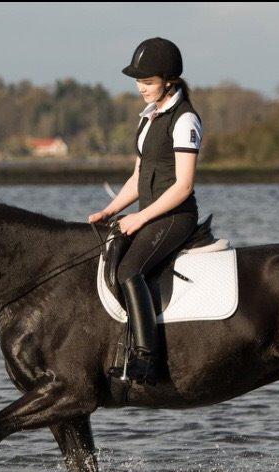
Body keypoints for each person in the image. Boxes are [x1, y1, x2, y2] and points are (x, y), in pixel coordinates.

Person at [88, 37, 203, 386]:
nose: (141, 87)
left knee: (128, 270)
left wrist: (139, 217)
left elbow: (182, 187)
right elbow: (139, 177)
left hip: (175, 216)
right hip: (151, 213)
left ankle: (146, 358)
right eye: (138, 81)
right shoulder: (149, 118)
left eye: (148, 81)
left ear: (168, 80)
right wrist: (109, 210)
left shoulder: (185, 121)